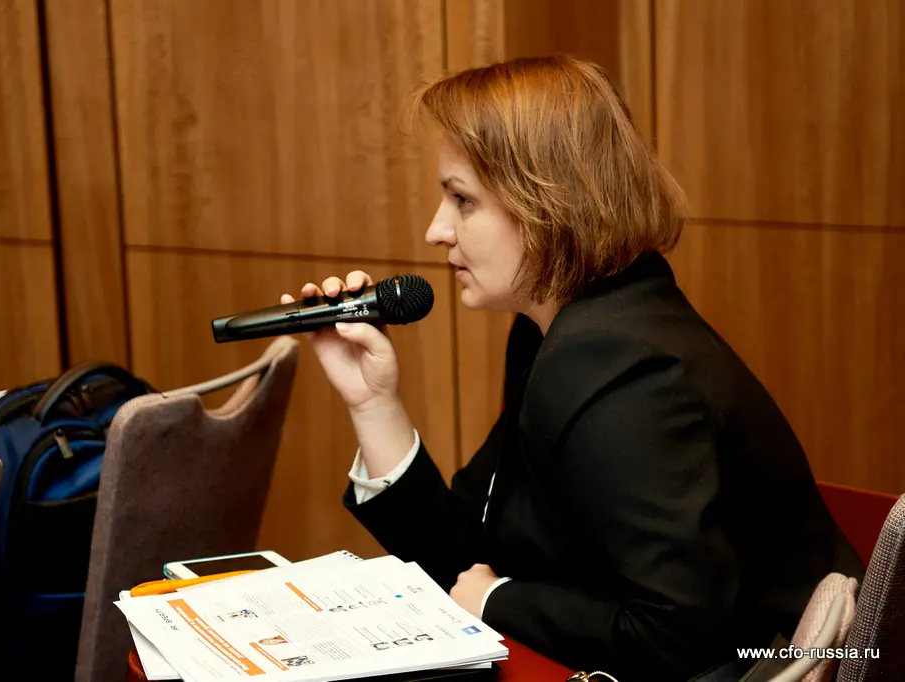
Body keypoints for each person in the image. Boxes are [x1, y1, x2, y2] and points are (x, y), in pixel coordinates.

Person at [279, 55, 863, 680]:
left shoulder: (622, 365)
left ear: (549, 204)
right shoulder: (562, 329)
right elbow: (463, 557)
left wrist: (498, 600)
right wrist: (373, 402)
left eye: (462, 200)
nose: (436, 230)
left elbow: (675, 638)